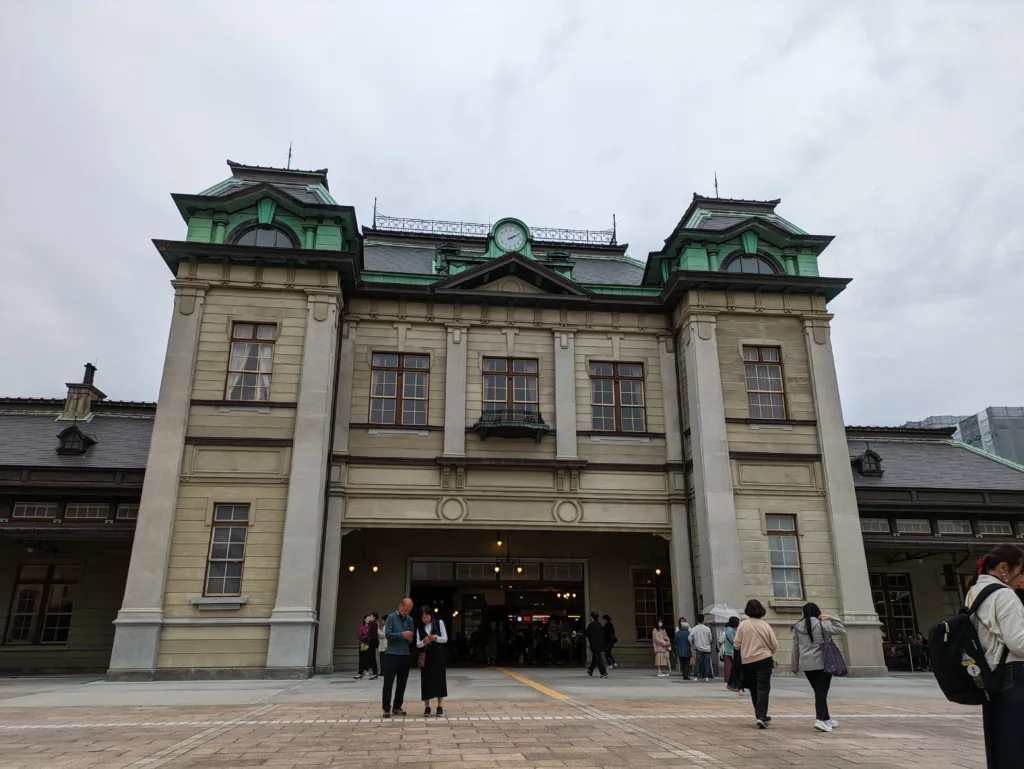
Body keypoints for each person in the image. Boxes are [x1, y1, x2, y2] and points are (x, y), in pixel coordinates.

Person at [965, 544, 1024, 768]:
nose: (1022, 580)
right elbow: (1019, 643)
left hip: (993, 675)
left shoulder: (974, 592)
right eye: (1021, 572)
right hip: (1014, 675)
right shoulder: (1004, 596)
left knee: (1002, 741)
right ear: (1003, 568)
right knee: (1017, 744)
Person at [791, 602, 846, 733]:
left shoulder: (797, 627)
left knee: (819, 692)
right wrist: (832, 618)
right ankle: (820, 720)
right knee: (822, 692)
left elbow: (795, 648)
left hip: (807, 664)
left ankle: (827, 719)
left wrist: (794, 665)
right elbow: (841, 630)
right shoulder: (822, 624)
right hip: (823, 662)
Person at [734, 599, 777, 729]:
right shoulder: (765, 625)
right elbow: (774, 644)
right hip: (764, 659)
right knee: (763, 687)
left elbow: (736, 644)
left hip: (747, 661)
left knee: (753, 688)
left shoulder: (743, 625)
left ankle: (759, 714)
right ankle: (761, 715)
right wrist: (769, 651)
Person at [381, 597, 415, 718]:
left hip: (405, 655)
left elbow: (411, 638)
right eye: (405, 609)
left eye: (409, 610)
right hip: (392, 654)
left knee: (402, 683)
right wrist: (402, 634)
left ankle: (397, 706)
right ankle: (386, 708)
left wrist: (410, 637)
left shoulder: (410, 620)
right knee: (388, 682)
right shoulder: (391, 617)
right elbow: (388, 635)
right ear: (400, 606)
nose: (407, 612)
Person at [415, 606, 448, 717]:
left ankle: (440, 706)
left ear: (431, 615)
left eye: (427, 617)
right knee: (426, 680)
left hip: (438, 654)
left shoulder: (439, 623)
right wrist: (424, 641)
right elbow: (417, 644)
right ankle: (427, 706)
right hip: (426, 655)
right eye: (423, 618)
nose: (426, 619)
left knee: (439, 678)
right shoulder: (420, 628)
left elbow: (445, 638)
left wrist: (435, 638)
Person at [354, 613, 379, 680]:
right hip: (363, 645)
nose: (369, 619)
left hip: (370, 645)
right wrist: (366, 637)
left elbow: (374, 635)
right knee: (362, 659)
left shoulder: (372, 625)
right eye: (367, 618)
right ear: (364, 619)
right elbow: (359, 636)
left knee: (371, 659)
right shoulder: (361, 627)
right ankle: (361, 673)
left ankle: (372, 673)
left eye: (369, 617)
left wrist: (368, 637)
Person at [585, 611, 609, 678]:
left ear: (592, 617)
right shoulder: (599, 625)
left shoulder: (591, 625)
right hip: (600, 644)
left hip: (595, 645)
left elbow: (587, 634)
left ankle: (603, 673)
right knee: (595, 657)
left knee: (598, 658)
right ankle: (590, 669)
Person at [690, 614, 714, 681]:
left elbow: (689, 637)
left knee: (698, 662)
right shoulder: (707, 629)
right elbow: (710, 638)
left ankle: (696, 676)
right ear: (703, 620)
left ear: (697, 620)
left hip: (698, 647)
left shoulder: (694, 628)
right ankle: (706, 677)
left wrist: (692, 645)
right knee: (707, 662)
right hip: (707, 648)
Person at [723, 616, 740, 690]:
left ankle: (731, 684)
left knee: (734, 669)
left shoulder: (733, 630)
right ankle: (734, 684)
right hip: (731, 652)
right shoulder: (729, 631)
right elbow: (734, 641)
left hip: (733, 651)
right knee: (736, 669)